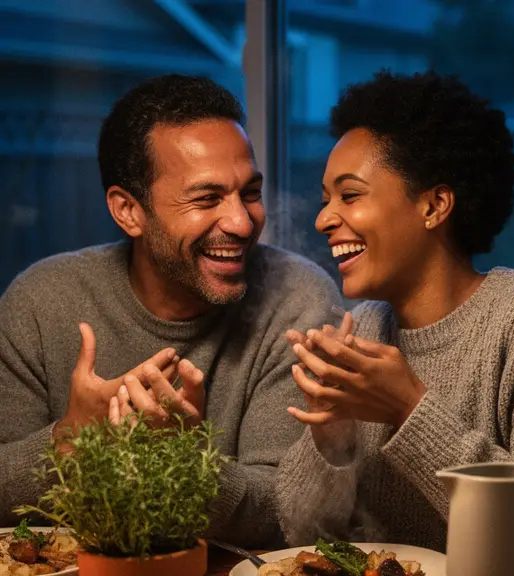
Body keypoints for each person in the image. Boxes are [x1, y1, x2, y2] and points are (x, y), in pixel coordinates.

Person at [275, 70, 514, 576]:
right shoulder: (366, 328)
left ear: (434, 205)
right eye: (325, 198)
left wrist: (409, 408)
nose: (323, 218)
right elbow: (302, 539)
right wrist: (331, 442)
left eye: (349, 195)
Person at [0, 74, 343, 548]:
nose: (242, 223)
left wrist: (183, 458)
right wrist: (69, 440)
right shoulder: (41, 302)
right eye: (206, 199)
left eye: (250, 192)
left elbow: (287, 514)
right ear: (128, 211)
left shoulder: (296, 299)